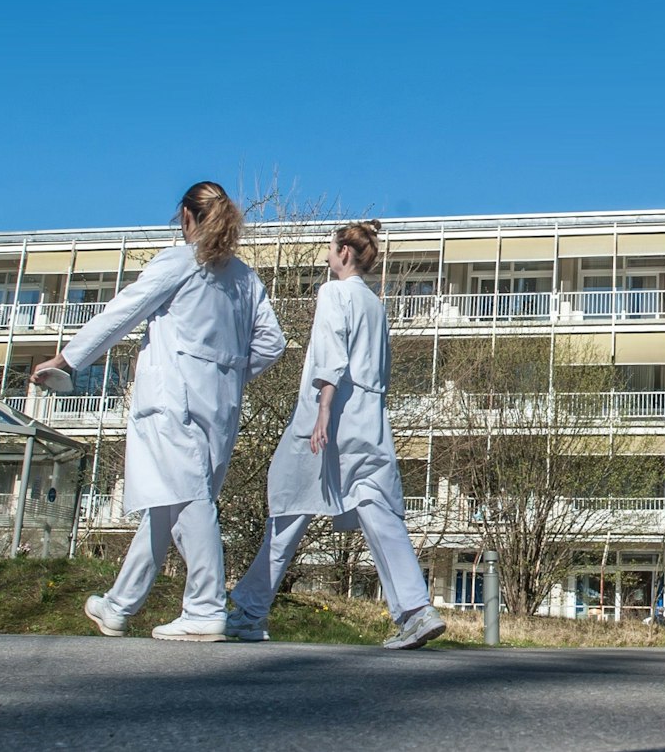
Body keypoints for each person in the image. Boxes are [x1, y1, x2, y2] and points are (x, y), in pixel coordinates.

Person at [34, 181, 285, 642]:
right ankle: (118, 605)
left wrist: (67, 359)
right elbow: (272, 343)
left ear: (187, 218)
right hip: (222, 402)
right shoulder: (246, 278)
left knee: (188, 499)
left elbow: (122, 311)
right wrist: (227, 371)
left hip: (175, 399)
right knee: (168, 504)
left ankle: (206, 607)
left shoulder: (180, 261)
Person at [226, 221, 445, 650]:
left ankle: (248, 614)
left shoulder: (334, 292)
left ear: (345, 251)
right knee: (377, 508)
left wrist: (324, 408)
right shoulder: (375, 304)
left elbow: (331, 351)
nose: (327, 255)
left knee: (289, 505)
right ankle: (417, 610)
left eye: (330, 248)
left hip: (330, 413)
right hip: (370, 415)